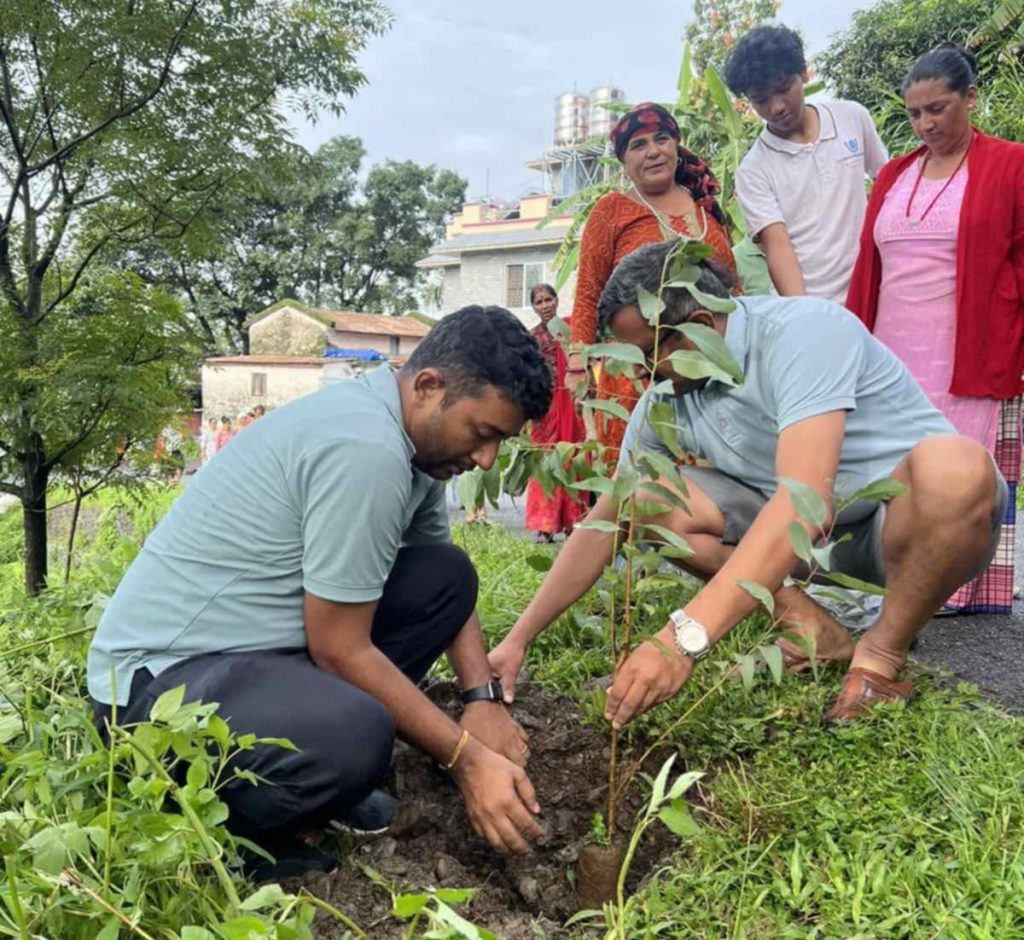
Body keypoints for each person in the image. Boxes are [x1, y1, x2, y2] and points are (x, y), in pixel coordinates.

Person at [87, 306, 553, 878]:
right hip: (152, 695)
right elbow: (340, 648)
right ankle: (235, 837)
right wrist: (466, 759)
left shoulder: (414, 448)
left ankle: (310, 765)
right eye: (482, 435)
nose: (486, 459)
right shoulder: (366, 448)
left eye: (499, 443)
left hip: (251, 656)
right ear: (429, 387)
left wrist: (481, 700)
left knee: (446, 576)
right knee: (358, 734)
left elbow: (441, 582)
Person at [489, 241, 1006, 727]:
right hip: (796, 545)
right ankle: (815, 631)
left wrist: (681, 640)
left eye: (648, 357)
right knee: (640, 500)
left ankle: (880, 654)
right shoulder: (666, 399)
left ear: (697, 325)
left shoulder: (804, 333)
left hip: (906, 530)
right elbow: (608, 519)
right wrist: (517, 640)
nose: (644, 378)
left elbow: (805, 504)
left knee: (954, 467)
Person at [846, 44, 1024, 615]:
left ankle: (953, 585)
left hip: (969, 344)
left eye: (938, 109)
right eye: (915, 114)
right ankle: (895, 576)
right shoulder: (896, 173)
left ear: (970, 98)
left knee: (959, 468)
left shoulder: (1011, 165)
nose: (925, 124)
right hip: (892, 349)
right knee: (898, 467)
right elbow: (867, 264)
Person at [568, 102, 736, 460]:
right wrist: (577, 364)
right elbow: (587, 293)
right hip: (634, 370)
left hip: (706, 367)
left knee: (707, 471)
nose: (653, 151)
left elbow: (734, 294)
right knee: (638, 476)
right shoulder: (611, 210)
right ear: (624, 161)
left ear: (676, 146)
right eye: (638, 145)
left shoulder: (707, 211)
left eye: (661, 139)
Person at [724, 25, 888, 304]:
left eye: (784, 88)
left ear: (803, 73)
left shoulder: (852, 118)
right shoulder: (753, 171)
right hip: (813, 306)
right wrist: (805, 318)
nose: (776, 107)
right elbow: (778, 248)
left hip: (873, 294)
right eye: (761, 100)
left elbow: (887, 184)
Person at [526, 283, 586, 542]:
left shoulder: (572, 329)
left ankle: (575, 520)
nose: (544, 306)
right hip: (546, 408)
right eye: (538, 302)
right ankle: (545, 525)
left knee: (573, 459)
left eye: (548, 299)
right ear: (533, 307)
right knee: (545, 462)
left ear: (557, 300)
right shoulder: (531, 338)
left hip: (571, 404)